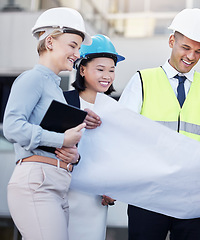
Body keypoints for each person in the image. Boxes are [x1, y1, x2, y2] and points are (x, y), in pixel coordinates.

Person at [119, 8, 200, 240]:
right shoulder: (142, 81)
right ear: (171, 41)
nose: (191, 57)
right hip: (149, 193)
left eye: (199, 51)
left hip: (195, 197)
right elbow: (121, 136)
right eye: (186, 48)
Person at [3, 7, 91, 240]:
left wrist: (73, 154)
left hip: (56, 183)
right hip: (37, 182)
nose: (77, 53)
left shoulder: (56, 89)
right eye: (73, 45)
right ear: (50, 41)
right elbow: (12, 126)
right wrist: (62, 139)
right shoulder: (33, 78)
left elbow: (55, 141)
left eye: (79, 48)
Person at [64, 34, 125, 240]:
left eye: (111, 70)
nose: (107, 76)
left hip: (95, 199)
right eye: (100, 69)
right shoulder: (63, 101)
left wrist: (113, 186)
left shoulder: (114, 110)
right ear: (82, 69)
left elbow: (117, 155)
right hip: (62, 192)